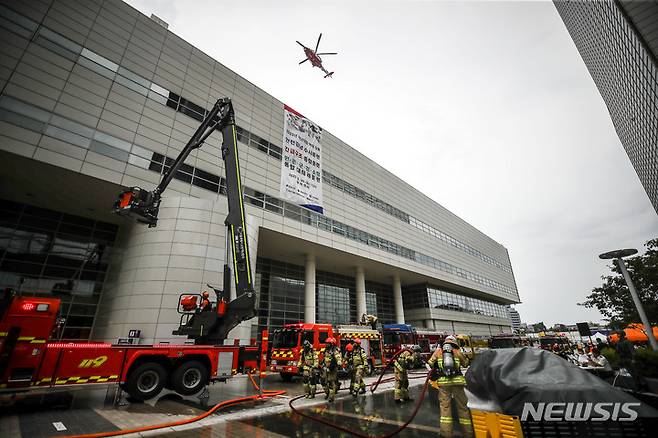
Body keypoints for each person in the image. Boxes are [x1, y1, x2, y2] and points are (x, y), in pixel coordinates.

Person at [427, 335, 473, 438]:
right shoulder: (457, 351)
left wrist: (436, 366)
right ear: (454, 342)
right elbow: (465, 364)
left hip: (444, 384)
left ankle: (446, 434)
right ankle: (468, 433)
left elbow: (430, 363)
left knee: (445, 409)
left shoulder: (438, 351)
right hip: (458, 382)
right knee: (463, 408)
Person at [322, 337, 342, 402]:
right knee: (323, 381)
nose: (326, 345)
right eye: (326, 343)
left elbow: (338, 357)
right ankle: (327, 393)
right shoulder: (326, 350)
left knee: (331, 382)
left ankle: (331, 397)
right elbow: (324, 358)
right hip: (325, 368)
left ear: (332, 344)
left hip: (332, 368)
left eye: (328, 343)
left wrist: (339, 363)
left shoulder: (335, 350)